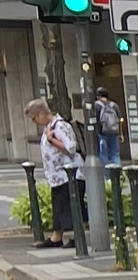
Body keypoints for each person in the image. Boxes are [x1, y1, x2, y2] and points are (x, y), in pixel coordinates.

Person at [27, 98, 81, 247]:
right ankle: (57, 237)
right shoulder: (50, 127)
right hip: (57, 175)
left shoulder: (61, 126)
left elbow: (70, 148)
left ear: (42, 113)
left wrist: (51, 140)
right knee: (59, 206)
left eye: (34, 118)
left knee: (69, 206)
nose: (34, 122)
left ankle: (78, 237)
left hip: (68, 174)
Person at [91, 90, 124, 167]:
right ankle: (118, 173)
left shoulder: (96, 105)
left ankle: (107, 176)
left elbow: (93, 120)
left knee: (103, 154)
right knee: (115, 154)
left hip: (102, 133)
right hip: (114, 133)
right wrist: (120, 133)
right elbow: (120, 119)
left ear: (98, 96)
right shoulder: (114, 105)